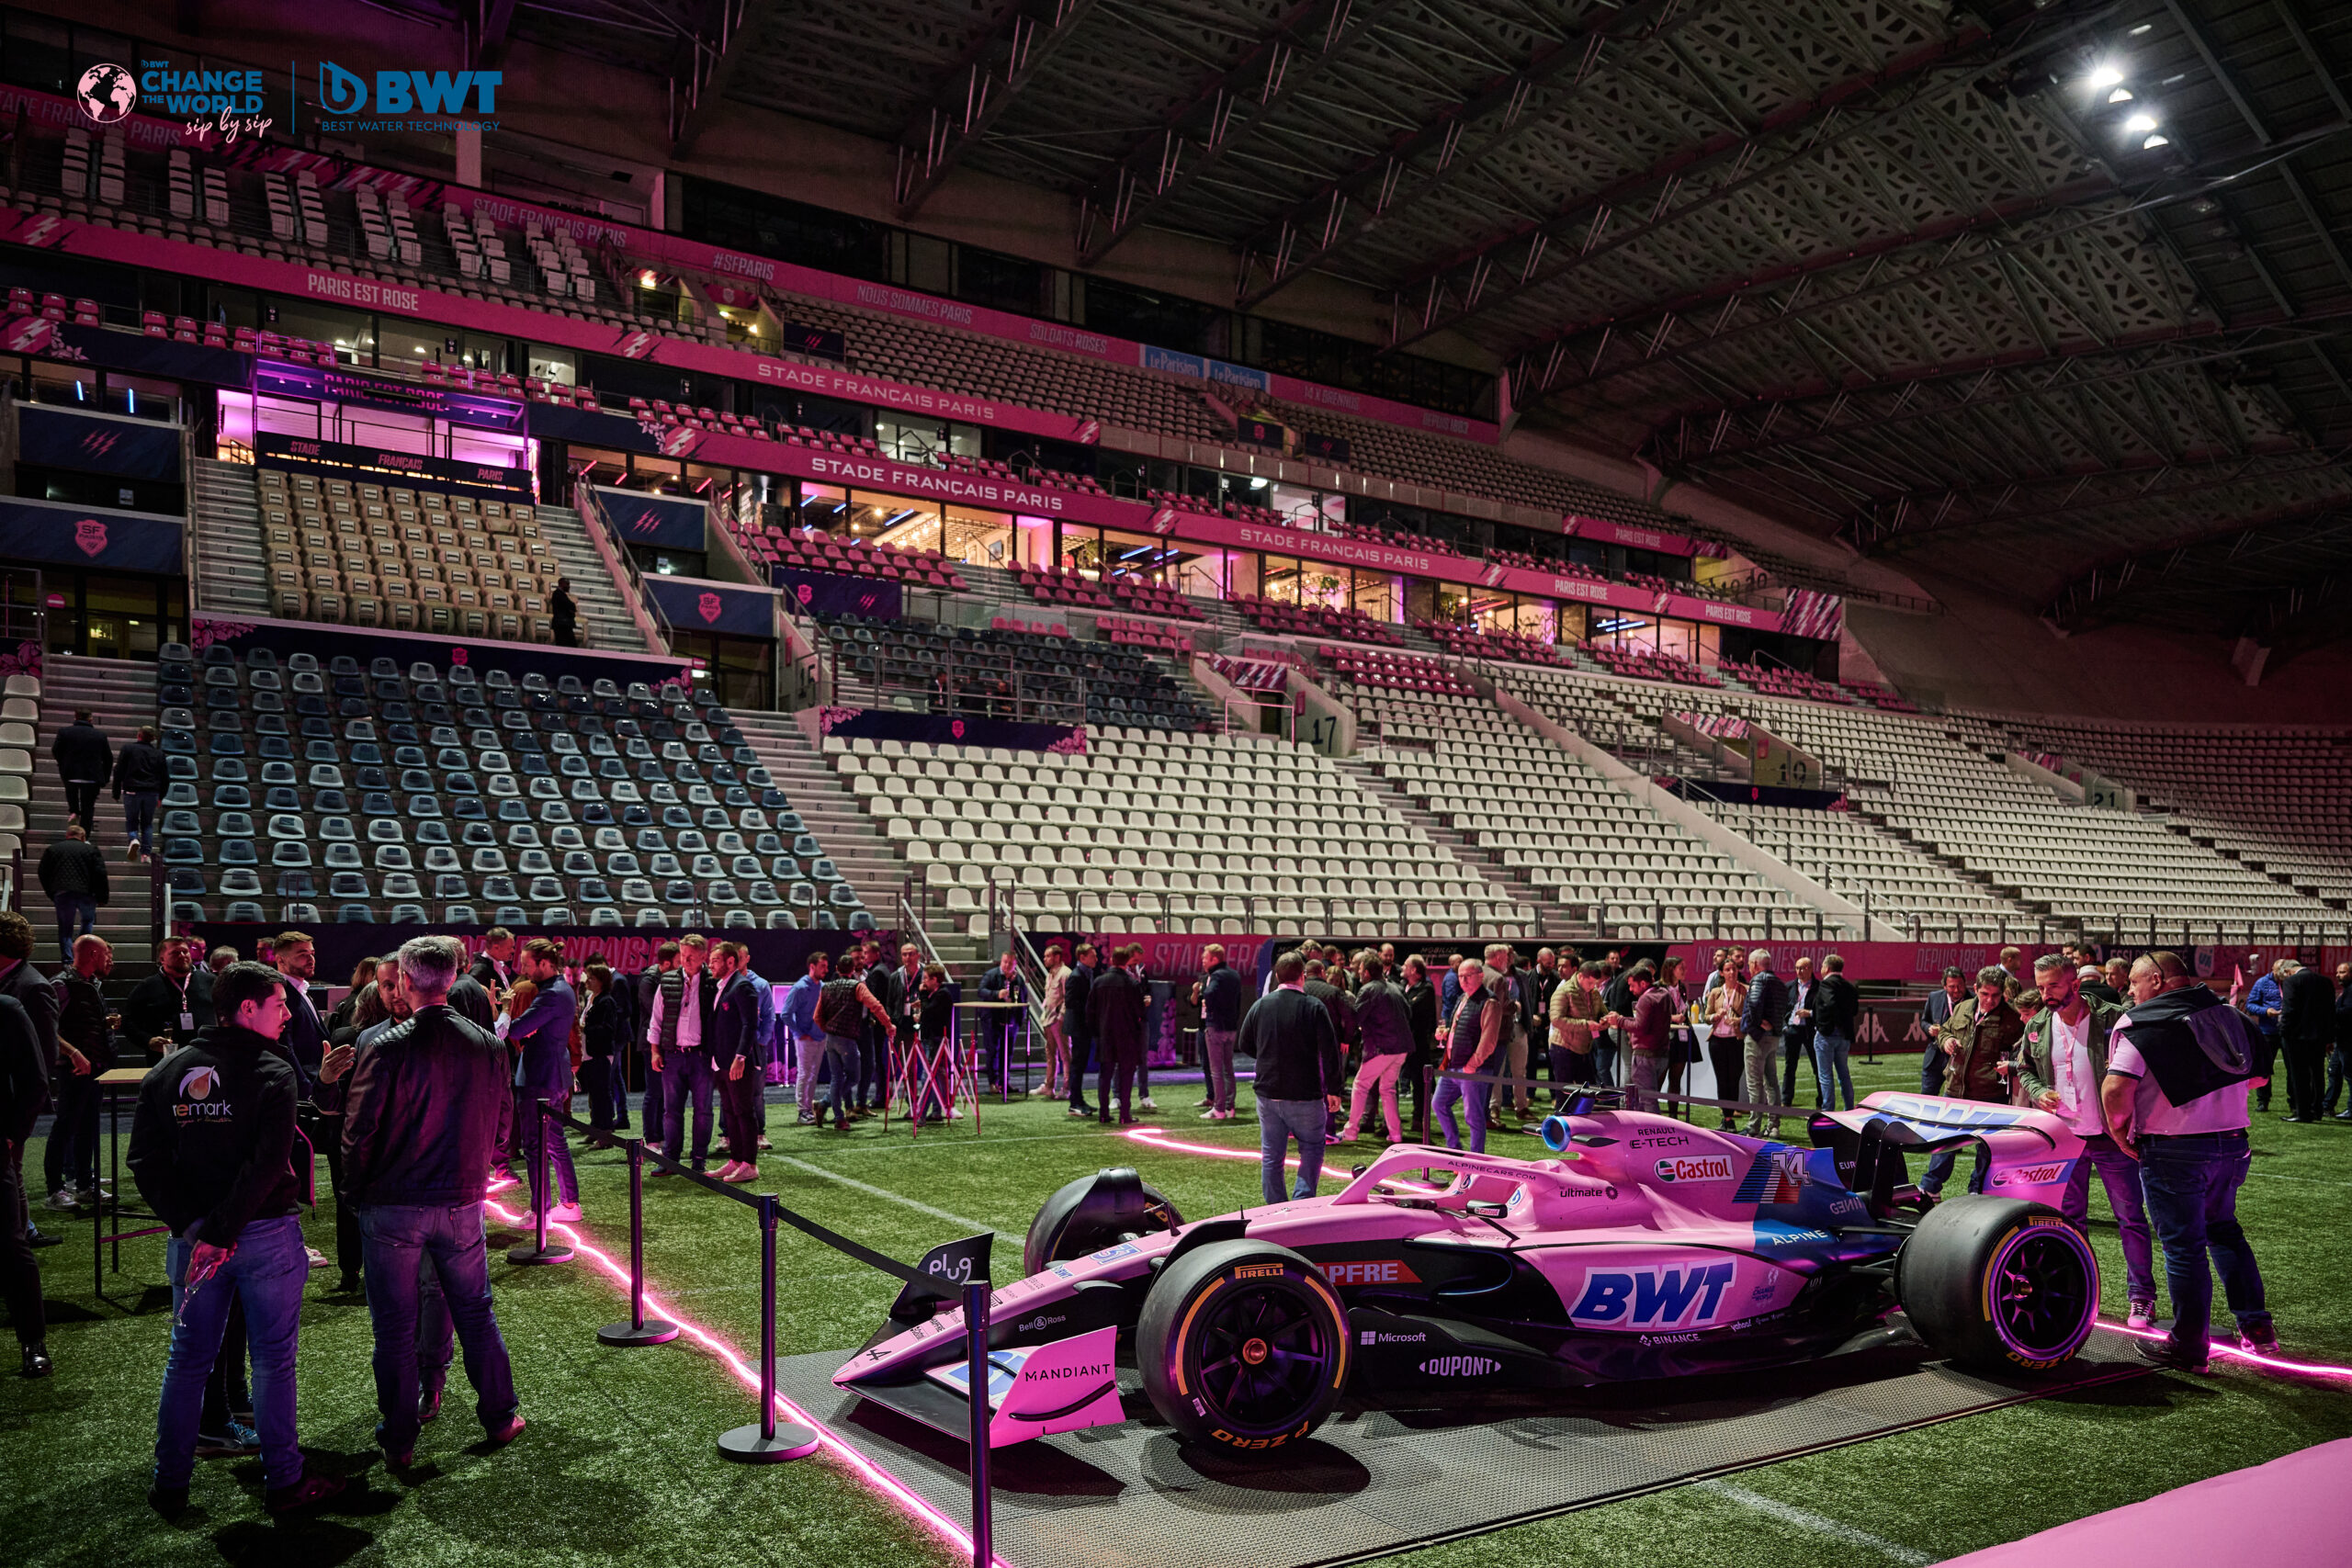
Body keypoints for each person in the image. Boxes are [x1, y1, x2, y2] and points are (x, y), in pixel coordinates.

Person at [132, 961, 343, 1518]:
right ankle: (285, 1482)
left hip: (196, 1242)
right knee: (273, 1361)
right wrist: (221, 1232)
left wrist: (198, 1230)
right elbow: (268, 1164)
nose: (287, 1014)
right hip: (263, 1235)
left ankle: (170, 1484)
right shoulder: (273, 1071)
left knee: (187, 1362)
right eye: (279, 1004)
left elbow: (146, 1165)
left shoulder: (166, 1073)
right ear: (247, 1007)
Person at [340, 934, 524, 1468]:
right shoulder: (486, 1043)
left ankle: (399, 1439)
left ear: (406, 981)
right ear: (452, 976)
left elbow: (359, 1131)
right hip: (460, 1200)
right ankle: (499, 1415)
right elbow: (503, 1127)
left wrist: (356, 1194)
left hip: (394, 1204)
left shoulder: (386, 1044)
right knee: (475, 1313)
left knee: (395, 1327)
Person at [2101, 952, 2276, 1372]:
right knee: (2225, 1232)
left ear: (2157, 981)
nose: (2129, 992)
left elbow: (2115, 1088)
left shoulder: (2141, 1021)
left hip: (2175, 1146)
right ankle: (2257, 1330)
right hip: (2232, 1142)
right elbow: (2259, 1077)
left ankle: (2189, 1346)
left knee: (2184, 1247)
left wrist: (2118, 1130)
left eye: (2135, 984)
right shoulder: (2230, 1015)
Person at [2012, 952, 2159, 1329]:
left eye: (2054, 986)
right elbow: (2024, 1067)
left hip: (2112, 1138)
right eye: (2041, 986)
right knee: (2070, 1221)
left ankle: (2141, 1296)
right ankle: (2080, 1292)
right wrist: (2038, 1089)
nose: (2045, 994)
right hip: (2065, 1138)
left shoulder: (2112, 1018)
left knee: (2130, 1219)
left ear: (2074, 983)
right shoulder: (2037, 1025)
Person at [1238, 952, 1342, 1203]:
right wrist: (1334, 1089)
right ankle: (1301, 1203)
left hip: (1269, 1091)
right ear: (1302, 976)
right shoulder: (1314, 1006)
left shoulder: (1261, 1005)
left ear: (1276, 977)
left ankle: (1275, 1209)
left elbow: (1245, 1043)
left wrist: (1266, 1056)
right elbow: (1330, 1052)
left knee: (1272, 1156)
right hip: (1305, 1094)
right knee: (1312, 1150)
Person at [1920, 966, 2024, 1201]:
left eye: (1995, 995)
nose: (1989, 1000)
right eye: (1985, 994)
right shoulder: (1962, 1008)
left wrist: (2007, 1068)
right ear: (1975, 989)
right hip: (1955, 1089)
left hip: (1990, 1095)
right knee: (1944, 1142)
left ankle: (1977, 1192)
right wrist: (1946, 1041)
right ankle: (1930, 1188)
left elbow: (2020, 1055)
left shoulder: (2012, 1019)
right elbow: (1945, 1031)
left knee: (1986, 1150)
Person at [502, 938, 579, 1221]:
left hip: (540, 1077)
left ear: (544, 964)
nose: (522, 970)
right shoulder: (561, 989)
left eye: (526, 964)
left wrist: (506, 1008)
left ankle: (540, 1212)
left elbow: (517, 1029)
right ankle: (569, 1203)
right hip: (552, 1075)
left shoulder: (551, 994)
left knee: (535, 1146)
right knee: (555, 1140)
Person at [0, 910, 61, 1251]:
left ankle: (18, 1245)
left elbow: (44, 1058)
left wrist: (17, 1126)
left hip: (12, 1104)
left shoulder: (33, 986)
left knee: (13, 1174)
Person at [43, 933, 114, 1209]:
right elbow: (48, 1029)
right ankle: (54, 1190)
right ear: (93, 955)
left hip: (96, 1066)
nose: (109, 959)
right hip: (73, 1069)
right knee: (65, 1126)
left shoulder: (92, 984)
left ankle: (85, 1184)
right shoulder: (60, 985)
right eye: (106, 954)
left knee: (89, 1127)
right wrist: (74, 1053)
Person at [0, 989, 50, 1377]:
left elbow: (35, 1081)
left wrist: (13, 1136)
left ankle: (33, 1341)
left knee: (9, 1244)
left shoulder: (7, 1009)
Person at [646, 934, 719, 1167]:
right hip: (673, 1055)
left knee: (703, 1111)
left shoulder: (713, 982)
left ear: (703, 957)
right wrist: (655, 1051)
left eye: (691, 957)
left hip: (702, 1056)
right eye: (683, 955)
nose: (685, 960)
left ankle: (699, 1159)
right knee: (671, 1112)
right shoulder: (667, 981)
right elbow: (656, 1020)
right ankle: (670, 1159)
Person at [811, 948, 893, 1131]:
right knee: (854, 1077)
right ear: (852, 969)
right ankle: (826, 1104)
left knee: (836, 1078)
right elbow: (876, 1006)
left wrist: (829, 1030)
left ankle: (838, 1117)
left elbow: (817, 1016)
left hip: (831, 1039)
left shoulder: (826, 987)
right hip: (847, 1038)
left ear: (837, 969)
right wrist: (888, 1025)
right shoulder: (857, 987)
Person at [1431, 958, 1505, 1153]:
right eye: (1460, 976)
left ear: (1480, 976)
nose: (1463, 980)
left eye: (1467, 976)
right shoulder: (1463, 997)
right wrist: (1446, 1034)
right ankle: (1455, 1150)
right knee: (1439, 1104)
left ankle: (1475, 1159)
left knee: (1474, 1117)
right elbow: (1462, 1029)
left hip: (1473, 1069)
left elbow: (1488, 1041)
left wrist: (1472, 1065)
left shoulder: (1489, 1002)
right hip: (1453, 1065)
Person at [1340, 953, 1411, 1144]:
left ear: (1368, 973)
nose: (1358, 973)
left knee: (1360, 1085)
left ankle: (1351, 1131)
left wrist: (1344, 1007)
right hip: (1401, 1047)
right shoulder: (1395, 987)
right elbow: (1408, 1013)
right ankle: (1395, 1134)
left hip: (1381, 1047)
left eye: (1361, 970)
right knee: (1388, 1090)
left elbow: (1356, 1017)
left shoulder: (1369, 989)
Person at [711, 942, 764, 1182]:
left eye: (715, 960)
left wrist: (740, 1057)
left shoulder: (742, 986)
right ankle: (735, 1160)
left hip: (736, 1061)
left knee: (743, 1111)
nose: (710, 964)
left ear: (730, 962)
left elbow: (750, 1025)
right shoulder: (723, 986)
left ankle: (750, 1164)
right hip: (721, 1061)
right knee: (731, 1112)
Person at [124, 933, 214, 1064]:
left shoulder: (210, 982)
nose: (183, 956)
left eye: (185, 951)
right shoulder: (147, 986)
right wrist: (148, 1041)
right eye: (175, 953)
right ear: (162, 959)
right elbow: (128, 1021)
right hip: (164, 1061)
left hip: (205, 1057)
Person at [1089, 943, 1148, 1125]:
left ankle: (1104, 1113)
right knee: (1126, 1075)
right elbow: (1140, 1012)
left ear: (1112, 960)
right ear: (1126, 962)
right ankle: (1125, 1114)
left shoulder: (1099, 982)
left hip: (1105, 1035)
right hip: (1127, 1036)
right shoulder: (1132, 984)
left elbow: (1090, 1011)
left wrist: (1096, 1032)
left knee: (1105, 1075)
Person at [36, 821, 108, 964]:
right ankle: (83, 953)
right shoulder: (91, 850)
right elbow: (100, 874)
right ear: (83, 837)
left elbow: (42, 872)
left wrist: (52, 892)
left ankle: (68, 961)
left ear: (67, 835)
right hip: (86, 893)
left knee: (65, 929)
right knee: (87, 921)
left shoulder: (53, 849)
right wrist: (102, 897)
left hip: (62, 893)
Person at [2275, 959, 2335, 1123]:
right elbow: (2331, 1011)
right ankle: (2317, 1109)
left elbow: (2289, 1009)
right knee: (2317, 1073)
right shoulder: (2325, 981)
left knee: (2299, 1075)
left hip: (2296, 1036)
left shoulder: (2292, 982)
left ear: (2288, 972)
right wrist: (2329, 1037)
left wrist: (2283, 1031)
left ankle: (2303, 1112)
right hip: (2319, 1036)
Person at [1738, 949, 1790, 1136]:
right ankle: (1774, 1125)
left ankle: (1754, 1127)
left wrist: (1758, 1023)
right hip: (1773, 1037)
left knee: (1755, 1084)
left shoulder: (1759, 980)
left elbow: (1753, 1004)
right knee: (1772, 1082)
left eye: (1750, 965)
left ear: (1755, 965)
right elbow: (1786, 1007)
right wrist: (1774, 1026)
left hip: (1757, 1037)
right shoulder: (1779, 983)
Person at [1195, 944, 1243, 1122]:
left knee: (1216, 1070)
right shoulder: (1234, 975)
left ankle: (1219, 1108)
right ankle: (1230, 1107)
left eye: (1205, 958)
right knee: (1228, 1069)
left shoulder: (1215, 976)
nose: (1203, 961)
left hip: (1216, 1026)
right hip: (1231, 1027)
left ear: (1215, 959)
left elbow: (1209, 993)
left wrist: (1205, 998)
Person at [633, 942, 676, 1137]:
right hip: (651, 1042)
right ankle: (651, 1137)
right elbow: (654, 1011)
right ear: (666, 964)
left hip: (664, 1040)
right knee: (654, 1092)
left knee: (663, 1093)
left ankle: (660, 1135)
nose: (682, 965)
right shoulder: (649, 980)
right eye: (678, 962)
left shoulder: (663, 978)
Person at [783, 949, 830, 1125]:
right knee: (804, 1074)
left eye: (826, 966)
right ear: (812, 966)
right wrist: (800, 1033)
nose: (826, 969)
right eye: (822, 966)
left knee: (813, 1074)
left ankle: (809, 1109)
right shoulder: (800, 988)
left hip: (819, 1037)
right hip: (806, 1039)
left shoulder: (823, 987)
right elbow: (786, 1014)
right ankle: (803, 1111)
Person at [1549, 960, 1610, 1094]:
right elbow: (1556, 1020)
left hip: (1584, 1049)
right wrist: (1586, 1025)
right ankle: (1564, 1115)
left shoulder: (1594, 993)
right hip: (1563, 1049)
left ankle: (1583, 1115)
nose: (1593, 986)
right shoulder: (1564, 992)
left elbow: (1602, 1012)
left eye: (1595, 983)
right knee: (1565, 1095)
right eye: (1590, 983)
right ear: (1580, 976)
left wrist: (1605, 1020)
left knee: (1587, 1093)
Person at [1809, 953, 1860, 1111]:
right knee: (1843, 1074)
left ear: (1827, 968)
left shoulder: (1826, 985)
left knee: (1825, 1075)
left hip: (1827, 1033)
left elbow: (1830, 1004)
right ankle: (1849, 1107)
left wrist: (1830, 1023)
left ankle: (1828, 1110)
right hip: (1844, 1034)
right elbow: (1855, 1009)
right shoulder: (1849, 986)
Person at [1623, 963, 1676, 1111]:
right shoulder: (1664, 994)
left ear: (1643, 983)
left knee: (1647, 1101)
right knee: (1647, 1099)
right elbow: (1646, 1022)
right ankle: (1644, 1132)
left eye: (1632, 985)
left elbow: (1640, 1027)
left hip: (1645, 1056)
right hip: (1661, 1055)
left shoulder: (1645, 1000)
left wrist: (1619, 1021)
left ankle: (1651, 1133)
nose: (1630, 989)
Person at [579, 964, 625, 1131]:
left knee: (602, 1094)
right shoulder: (593, 998)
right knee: (595, 1093)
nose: (588, 981)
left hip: (601, 1053)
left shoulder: (607, 1001)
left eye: (592, 978)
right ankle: (596, 1129)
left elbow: (608, 1030)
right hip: (590, 1053)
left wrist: (585, 1029)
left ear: (601, 981)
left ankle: (605, 1131)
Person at [112, 722, 166, 862]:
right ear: (153, 739)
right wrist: (161, 796)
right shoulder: (159, 754)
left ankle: (133, 839)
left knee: (132, 821)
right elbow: (165, 777)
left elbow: (119, 771)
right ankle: (145, 854)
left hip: (132, 790)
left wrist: (116, 791)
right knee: (147, 823)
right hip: (151, 792)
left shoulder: (128, 749)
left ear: (139, 735)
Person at [1702, 952, 1746, 1130]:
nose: (1731, 973)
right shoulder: (1715, 992)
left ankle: (1731, 1116)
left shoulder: (1745, 990)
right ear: (1721, 973)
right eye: (1727, 970)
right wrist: (1715, 1015)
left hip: (1735, 1040)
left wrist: (1737, 1020)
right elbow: (1706, 1016)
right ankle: (1726, 1119)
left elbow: (1749, 1017)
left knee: (1733, 1079)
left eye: (1733, 969)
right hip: (1717, 1041)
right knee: (1722, 1079)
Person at [50, 707, 111, 831]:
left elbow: (56, 751)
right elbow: (108, 758)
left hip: (71, 774)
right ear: (91, 719)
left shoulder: (64, 732)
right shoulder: (100, 735)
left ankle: (74, 812)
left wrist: (64, 765)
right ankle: (84, 836)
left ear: (75, 717)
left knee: (72, 797)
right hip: (92, 777)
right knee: (88, 808)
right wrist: (105, 778)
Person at [977, 950, 1025, 1090]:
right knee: (993, 1051)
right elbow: (981, 991)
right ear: (1001, 962)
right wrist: (996, 994)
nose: (1007, 965)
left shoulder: (1018, 979)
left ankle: (1005, 1083)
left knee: (1008, 1052)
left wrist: (1019, 1019)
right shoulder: (991, 975)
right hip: (992, 1019)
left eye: (1010, 963)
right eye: (1005, 962)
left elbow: (1023, 997)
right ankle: (993, 1082)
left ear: (1015, 964)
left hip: (1011, 1020)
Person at [1401, 954, 1438, 1140]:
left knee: (1419, 1082)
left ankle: (1418, 1119)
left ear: (1414, 970)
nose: (1402, 968)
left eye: (1406, 965)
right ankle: (1388, 1122)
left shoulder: (1426, 988)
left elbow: (1410, 1009)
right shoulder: (1403, 986)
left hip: (1418, 1043)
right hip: (1401, 1041)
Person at [1062, 942, 1097, 1119]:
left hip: (1083, 1026)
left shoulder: (1086, 973)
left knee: (1080, 1065)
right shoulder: (1076, 976)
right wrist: (1089, 1008)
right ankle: (1074, 1102)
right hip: (1078, 1026)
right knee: (1077, 1065)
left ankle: (1079, 1100)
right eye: (1093, 956)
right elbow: (1070, 1002)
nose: (1096, 959)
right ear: (1082, 957)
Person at [1920, 967, 1965, 1093]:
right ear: (1944, 986)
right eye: (1952, 986)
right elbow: (1924, 1021)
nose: (1956, 990)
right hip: (1935, 1057)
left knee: (1955, 1100)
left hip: (1960, 1059)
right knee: (1927, 1100)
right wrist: (1928, 1028)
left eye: (1960, 985)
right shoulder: (1934, 997)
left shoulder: (1972, 1000)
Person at [1781, 955, 1816, 1108]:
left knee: (1817, 1066)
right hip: (1792, 1030)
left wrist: (1810, 1013)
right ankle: (1786, 1100)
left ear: (1810, 969)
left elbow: (1822, 1009)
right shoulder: (1789, 986)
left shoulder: (1818, 987)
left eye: (1802, 968)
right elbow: (1782, 1008)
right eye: (1797, 968)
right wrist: (1785, 1026)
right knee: (1790, 1066)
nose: (1799, 971)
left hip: (1810, 1030)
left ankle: (1821, 1101)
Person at [1039, 943, 1071, 1101]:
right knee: (1050, 1054)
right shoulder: (1050, 974)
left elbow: (1067, 997)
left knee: (1065, 1054)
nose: (1044, 959)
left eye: (1047, 956)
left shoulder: (1065, 973)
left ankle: (1066, 1088)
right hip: (1048, 1019)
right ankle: (1049, 1086)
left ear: (1057, 957)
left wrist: (1061, 1017)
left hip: (1058, 1021)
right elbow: (1048, 997)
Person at [2328, 960, 2352, 1121]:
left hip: (2348, 1040)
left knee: (2350, 1075)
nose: (2338, 975)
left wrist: (2330, 1011)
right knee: (2334, 1071)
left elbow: (2348, 1012)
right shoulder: (2346, 991)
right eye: (2337, 972)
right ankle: (2327, 1104)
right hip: (2341, 1039)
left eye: (2342, 972)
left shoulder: (2350, 992)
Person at [469, 929, 517, 997]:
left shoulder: (496, 966)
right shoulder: (480, 970)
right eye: (510, 948)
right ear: (496, 947)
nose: (513, 951)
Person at [549, 578, 579, 648]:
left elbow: (571, 607)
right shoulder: (558, 594)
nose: (569, 586)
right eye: (567, 584)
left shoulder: (561, 594)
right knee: (566, 646)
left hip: (564, 624)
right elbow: (570, 605)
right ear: (561, 584)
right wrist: (571, 609)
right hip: (562, 624)